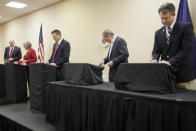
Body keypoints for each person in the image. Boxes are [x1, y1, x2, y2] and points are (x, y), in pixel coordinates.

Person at [151, 3, 196, 90]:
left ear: (174, 15)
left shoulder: (186, 27)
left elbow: (185, 50)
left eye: (166, 18)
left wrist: (170, 62)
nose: (163, 21)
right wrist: (155, 59)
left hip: (184, 77)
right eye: (161, 18)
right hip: (166, 77)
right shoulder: (158, 33)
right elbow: (156, 50)